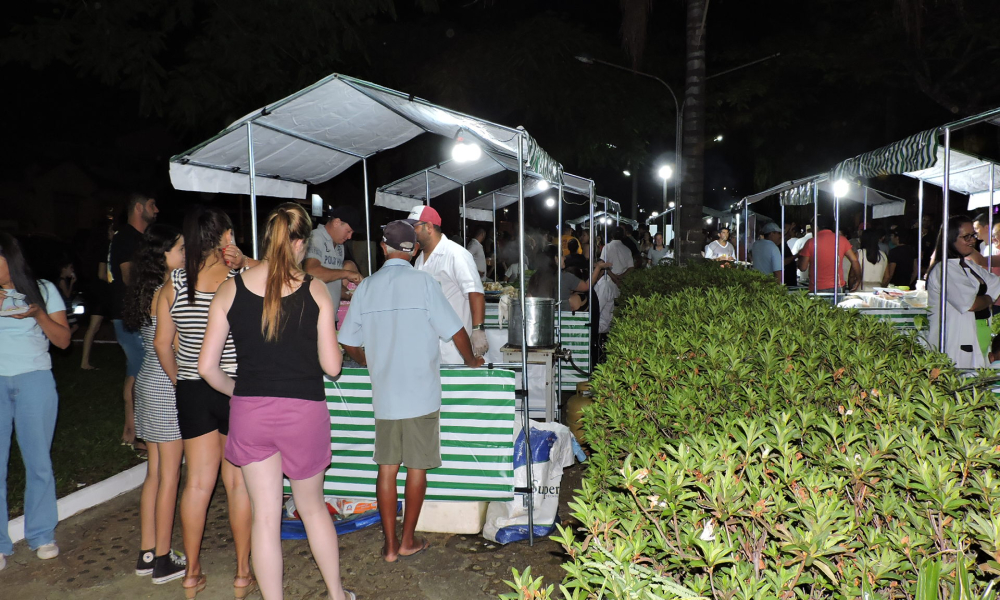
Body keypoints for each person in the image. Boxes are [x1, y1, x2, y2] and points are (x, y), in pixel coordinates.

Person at [199, 204, 353, 600]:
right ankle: (337, 596)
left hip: (251, 414)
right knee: (313, 508)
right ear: (300, 242)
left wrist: (242, 393)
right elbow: (333, 367)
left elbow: (206, 367)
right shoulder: (314, 289)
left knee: (265, 519)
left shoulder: (230, 289)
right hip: (303, 414)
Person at [339, 220, 483, 563]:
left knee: (386, 468)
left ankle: (389, 546)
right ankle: (407, 540)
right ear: (414, 249)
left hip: (385, 392)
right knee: (416, 468)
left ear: (382, 248)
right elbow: (455, 330)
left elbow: (346, 340)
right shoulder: (424, 283)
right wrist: (470, 360)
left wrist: (371, 361)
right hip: (420, 391)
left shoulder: (367, 287)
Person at [153, 206, 256, 599]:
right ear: (224, 237)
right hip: (236, 388)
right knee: (237, 483)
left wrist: (183, 380)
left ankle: (192, 575)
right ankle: (243, 574)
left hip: (193, 389)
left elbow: (164, 344)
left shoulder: (174, 283)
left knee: (197, 483)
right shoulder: (240, 278)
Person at [0, 233, 71, 571]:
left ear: (10, 259)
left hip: (35, 381)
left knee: (38, 461)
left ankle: (41, 534)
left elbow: (63, 340)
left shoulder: (43, 289)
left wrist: (37, 315)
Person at [121, 225, 187, 583]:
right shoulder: (168, 291)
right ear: (163, 254)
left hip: (147, 382)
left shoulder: (146, 289)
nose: (186, 254)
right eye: (180, 248)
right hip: (165, 385)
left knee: (156, 474)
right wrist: (182, 383)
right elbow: (172, 346)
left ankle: (148, 553)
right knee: (170, 477)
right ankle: (163, 559)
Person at [109, 192, 159, 449]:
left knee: (135, 372)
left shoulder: (140, 239)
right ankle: (143, 434)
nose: (157, 209)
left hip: (134, 315)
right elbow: (129, 277)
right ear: (139, 207)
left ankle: (131, 432)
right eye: (152, 204)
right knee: (145, 372)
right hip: (131, 316)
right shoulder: (127, 238)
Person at [410, 205, 489, 361]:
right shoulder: (419, 260)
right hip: (428, 344)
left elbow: (475, 292)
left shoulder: (456, 254)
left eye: (414, 227)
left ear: (429, 227)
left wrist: (478, 329)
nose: (411, 232)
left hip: (455, 347)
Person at [926, 216, 1000, 369]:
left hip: (978, 336)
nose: (972, 240)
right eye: (966, 237)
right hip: (956, 340)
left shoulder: (967, 265)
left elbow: (996, 283)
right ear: (950, 238)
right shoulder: (944, 269)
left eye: (973, 235)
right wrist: (987, 299)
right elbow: (971, 304)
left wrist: (984, 300)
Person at [304, 207, 364, 311]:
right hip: (313, 314)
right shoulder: (316, 237)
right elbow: (311, 273)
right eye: (348, 231)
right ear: (336, 222)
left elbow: (333, 284)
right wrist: (347, 273)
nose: (349, 237)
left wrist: (351, 295)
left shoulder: (339, 246)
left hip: (330, 315)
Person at [80, 218, 114, 370]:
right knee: (95, 327)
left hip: (94, 290)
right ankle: (84, 362)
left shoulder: (92, 247)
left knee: (95, 327)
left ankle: (84, 362)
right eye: (111, 230)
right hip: (101, 292)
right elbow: (102, 274)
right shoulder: (104, 247)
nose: (114, 233)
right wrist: (116, 281)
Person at [797, 215, 861, 293]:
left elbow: (803, 268)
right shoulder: (841, 240)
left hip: (817, 287)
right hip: (838, 287)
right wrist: (858, 279)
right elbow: (854, 260)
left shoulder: (811, 242)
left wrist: (799, 258)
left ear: (816, 227)